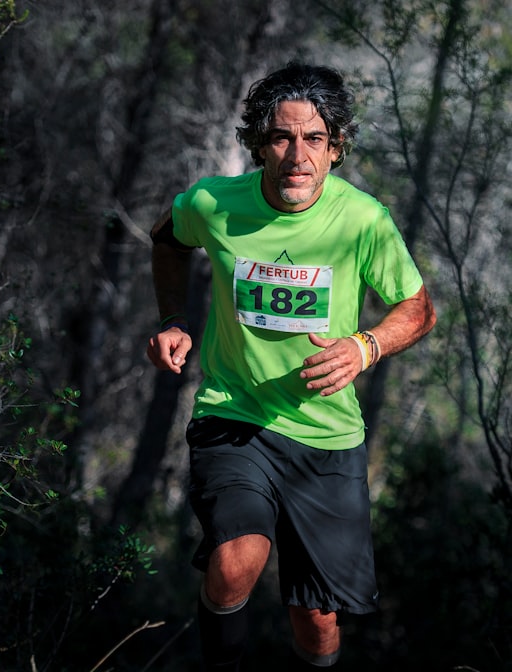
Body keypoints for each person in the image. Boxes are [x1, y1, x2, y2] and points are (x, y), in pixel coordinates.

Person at [145, 61, 436, 670]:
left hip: (327, 438)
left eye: (314, 139)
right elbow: (168, 239)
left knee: (316, 619)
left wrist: (366, 347)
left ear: (336, 149)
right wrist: (174, 319)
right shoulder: (213, 203)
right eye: (281, 137)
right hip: (236, 415)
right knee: (235, 563)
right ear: (258, 145)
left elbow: (418, 308)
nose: (297, 154)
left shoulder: (362, 220)